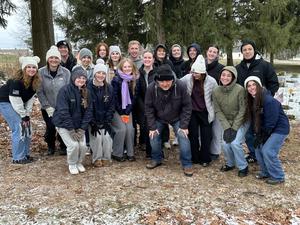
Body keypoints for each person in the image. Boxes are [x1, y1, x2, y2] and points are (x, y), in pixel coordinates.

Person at [145, 64, 193, 177]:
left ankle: (187, 163)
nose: (165, 84)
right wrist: (152, 127)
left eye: (168, 81)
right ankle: (156, 158)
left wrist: (184, 125)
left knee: (183, 136)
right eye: (162, 81)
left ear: (172, 79)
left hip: (177, 117)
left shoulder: (180, 85)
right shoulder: (151, 88)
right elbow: (148, 108)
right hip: (159, 117)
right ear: (157, 80)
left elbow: (187, 106)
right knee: (153, 136)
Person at [236, 39, 279, 163]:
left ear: (254, 50)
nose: (247, 51)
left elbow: (274, 83)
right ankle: (253, 154)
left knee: (261, 131)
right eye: (244, 50)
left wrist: (266, 99)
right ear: (242, 52)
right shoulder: (239, 68)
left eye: (250, 49)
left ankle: (265, 154)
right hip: (247, 107)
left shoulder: (264, 65)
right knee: (249, 133)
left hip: (261, 107)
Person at [244, 76, 289, 185]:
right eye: (248, 86)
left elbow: (271, 121)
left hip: (279, 129)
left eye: (254, 84)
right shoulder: (253, 100)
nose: (251, 87)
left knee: (268, 151)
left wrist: (261, 136)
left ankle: (278, 176)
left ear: (259, 85)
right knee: (258, 149)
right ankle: (266, 172)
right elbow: (257, 120)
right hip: (267, 129)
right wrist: (257, 134)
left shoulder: (268, 100)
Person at [0, 56, 41, 164]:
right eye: (29, 67)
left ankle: (25, 155)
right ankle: (18, 158)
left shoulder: (35, 82)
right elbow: (15, 100)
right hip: (5, 102)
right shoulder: (16, 81)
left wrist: (27, 114)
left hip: (19, 104)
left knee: (27, 127)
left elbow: (30, 100)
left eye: (34, 67)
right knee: (19, 126)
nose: (31, 69)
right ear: (24, 68)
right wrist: (23, 115)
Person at [52, 67, 92, 175]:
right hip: (64, 124)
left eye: (83, 78)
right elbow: (63, 112)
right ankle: (72, 163)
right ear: (73, 78)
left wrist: (82, 129)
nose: (81, 80)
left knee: (83, 146)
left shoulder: (86, 92)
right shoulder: (65, 91)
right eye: (79, 77)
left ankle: (79, 162)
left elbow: (88, 112)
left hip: (79, 125)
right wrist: (71, 130)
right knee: (73, 145)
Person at [181, 55, 217, 166]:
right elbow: (177, 83)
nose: (194, 75)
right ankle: (194, 157)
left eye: (196, 73)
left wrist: (214, 110)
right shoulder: (188, 78)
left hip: (205, 111)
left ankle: (205, 158)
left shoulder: (211, 81)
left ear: (202, 73)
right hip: (192, 111)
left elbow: (215, 96)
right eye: (193, 72)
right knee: (193, 135)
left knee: (206, 136)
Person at [212, 66, 249, 177]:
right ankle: (230, 163)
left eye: (229, 75)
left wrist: (234, 128)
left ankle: (243, 166)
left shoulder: (240, 90)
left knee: (235, 143)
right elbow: (218, 110)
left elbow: (243, 110)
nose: (225, 77)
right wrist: (227, 127)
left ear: (233, 77)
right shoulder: (216, 91)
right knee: (225, 143)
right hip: (227, 122)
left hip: (241, 121)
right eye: (223, 75)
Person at [37, 45, 71, 156]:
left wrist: (65, 105)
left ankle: (63, 146)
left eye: (56, 58)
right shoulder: (41, 72)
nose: (54, 60)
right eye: (51, 58)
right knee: (51, 127)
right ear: (47, 59)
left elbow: (68, 90)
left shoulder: (66, 72)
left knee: (63, 126)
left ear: (59, 60)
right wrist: (47, 106)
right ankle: (50, 146)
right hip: (48, 107)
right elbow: (40, 91)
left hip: (62, 106)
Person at [87, 61, 114, 167]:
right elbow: (87, 107)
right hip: (93, 120)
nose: (101, 75)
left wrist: (108, 120)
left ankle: (106, 157)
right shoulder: (88, 88)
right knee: (97, 137)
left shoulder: (109, 88)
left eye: (103, 73)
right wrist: (92, 122)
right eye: (99, 73)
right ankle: (97, 158)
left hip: (105, 119)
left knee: (107, 136)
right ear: (94, 73)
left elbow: (112, 105)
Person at [111, 58, 138, 162]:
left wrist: (127, 112)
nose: (127, 69)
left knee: (130, 129)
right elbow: (114, 98)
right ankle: (117, 153)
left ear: (132, 68)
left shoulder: (134, 79)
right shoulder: (116, 80)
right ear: (121, 68)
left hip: (128, 109)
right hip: (117, 110)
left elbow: (134, 98)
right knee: (122, 129)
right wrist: (122, 113)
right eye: (125, 67)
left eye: (129, 66)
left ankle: (130, 153)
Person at [135, 50, 156, 158]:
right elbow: (137, 92)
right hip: (142, 103)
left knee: (153, 126)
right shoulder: (138, 73)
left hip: (155, 104)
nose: (147, 60)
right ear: (143, 59)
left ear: (153, 59)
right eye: (145, 58)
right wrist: (143, 107)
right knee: (145, 126)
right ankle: (148, 150)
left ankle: (153, 150)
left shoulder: (157, 72)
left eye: (149, 58)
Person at [205, 45, 224, 160]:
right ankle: (204, 148)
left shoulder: (221, 68)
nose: (212, 53)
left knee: (216, 128)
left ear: (217, 55)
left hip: (216, 101)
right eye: (210, 51)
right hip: (203, 101)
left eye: (214, 52)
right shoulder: (201, 64)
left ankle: (215, 151)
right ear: (207, 52)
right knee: (205, 127)